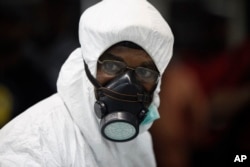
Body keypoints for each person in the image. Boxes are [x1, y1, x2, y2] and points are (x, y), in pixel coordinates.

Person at [0, 0, 174, 166]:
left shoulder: (139, 143)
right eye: (112, 66)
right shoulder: (33, 143)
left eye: (144, 72)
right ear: (88, 65)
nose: (128, 83)